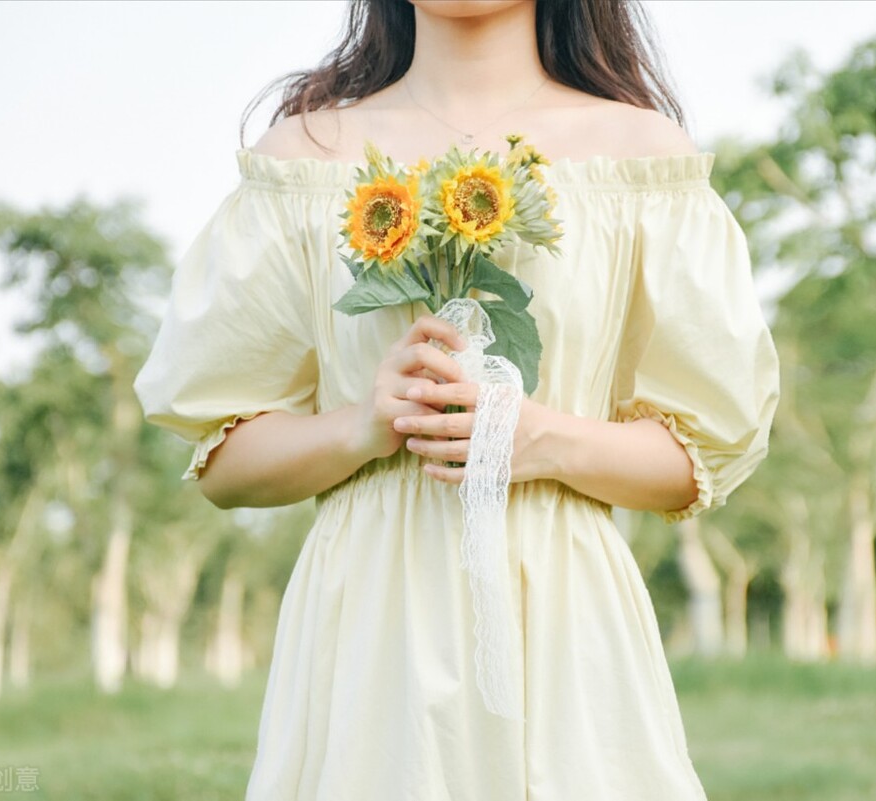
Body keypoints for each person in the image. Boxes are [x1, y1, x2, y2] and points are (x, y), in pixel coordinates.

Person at [133, 0, 780, 798]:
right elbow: (224, 462)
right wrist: (364, 427)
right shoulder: (305, 159)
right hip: (371, 631)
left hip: (566, 626)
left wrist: (539, 439)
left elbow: (697, 458)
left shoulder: (640, 156)